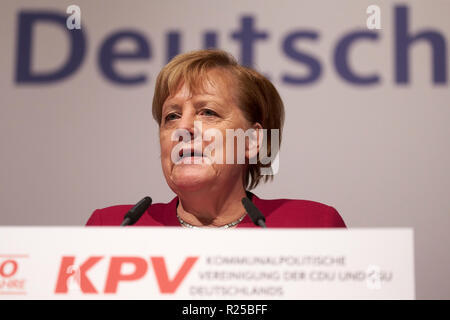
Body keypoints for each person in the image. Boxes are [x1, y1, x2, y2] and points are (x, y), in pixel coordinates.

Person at [86, 49, 346, 228]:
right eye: (172, 116)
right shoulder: (115, 228)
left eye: (208, 112)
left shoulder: (311, 225)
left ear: (252, 141)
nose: (183, 127)